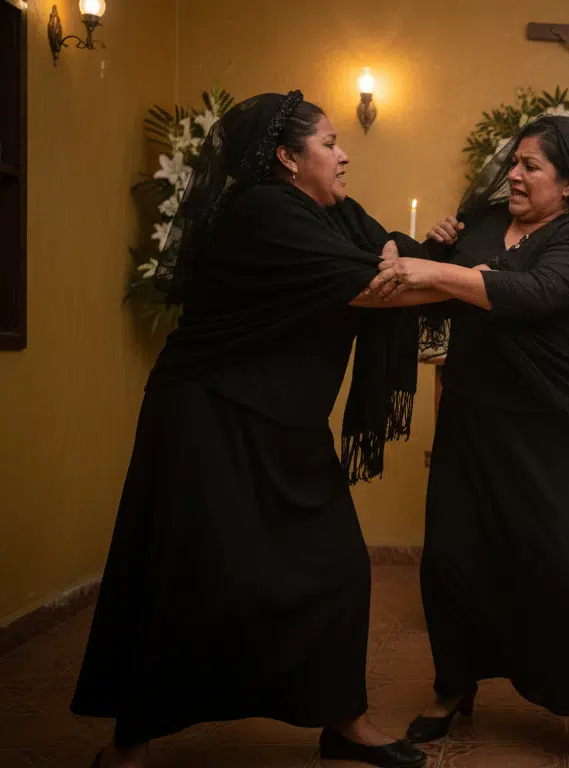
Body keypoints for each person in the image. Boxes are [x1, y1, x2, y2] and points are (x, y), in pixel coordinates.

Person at [71, 91, 442, 768]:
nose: (344, 153)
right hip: (210, 414)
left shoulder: (333, 214)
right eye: (329, 143)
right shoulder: (264, 211)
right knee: (188, 578)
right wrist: (480, 283)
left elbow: (392, 248)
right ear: (286, 158)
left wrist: (436, 250)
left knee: (337, 567)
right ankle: (127, 746)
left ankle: (344, 722)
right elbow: (372, 284)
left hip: (284, 420)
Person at [368, 115, 569, 767]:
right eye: (516, 162)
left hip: (558, 425)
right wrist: (425, 254)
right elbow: (435, 298)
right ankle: (453, 687)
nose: (516, 175)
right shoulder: (482, 221)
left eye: (533, 167)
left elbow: (539, 292)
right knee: (459, 557)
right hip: (477, 418)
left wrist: (438, 272)